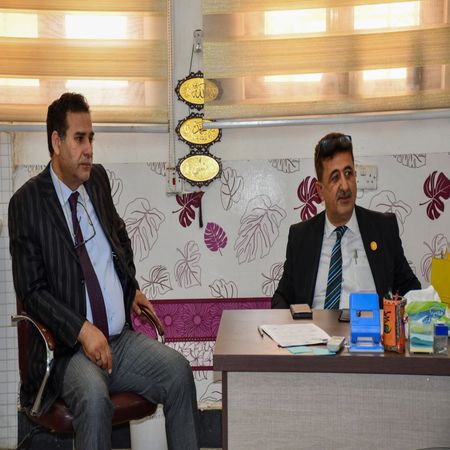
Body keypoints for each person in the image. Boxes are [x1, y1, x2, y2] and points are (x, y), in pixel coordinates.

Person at [9, 93, 199, 450]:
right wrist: (82, 330)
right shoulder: (27, 203)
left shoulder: (97, 181)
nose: (89, 150)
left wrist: (131, 289)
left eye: (91, 138)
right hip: (68, 352)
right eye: (79, 138)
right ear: (56, 142)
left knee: (178, 372)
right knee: (95, 399)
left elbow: (119, 238)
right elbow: (31, 291)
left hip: (119, 341)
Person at [272, 132, 420, 310]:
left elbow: (411, 289)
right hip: (317, 327)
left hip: (371, 326)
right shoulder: (301, 237)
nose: (345, 186)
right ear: (320, 190)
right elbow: (282, 297)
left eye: (348, 173)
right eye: (335, 177)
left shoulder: (383, 229)